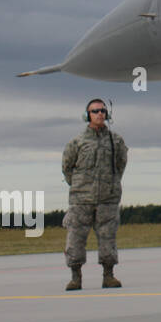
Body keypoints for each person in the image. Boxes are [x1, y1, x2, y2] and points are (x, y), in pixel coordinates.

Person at [62, 99, 128, 290]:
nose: (99, 114)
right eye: (95, 111)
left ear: (107, 115)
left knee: (108, 238)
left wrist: (111, 185)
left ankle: (109, 276)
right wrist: (79, 186)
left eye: (102, 111)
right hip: (81, 200)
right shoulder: (77, 142)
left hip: (108, 199)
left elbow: (121, 164)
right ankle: (76, 278)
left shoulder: (116, 141)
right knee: (75, 239)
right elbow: (67, 168)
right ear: (87, 115)